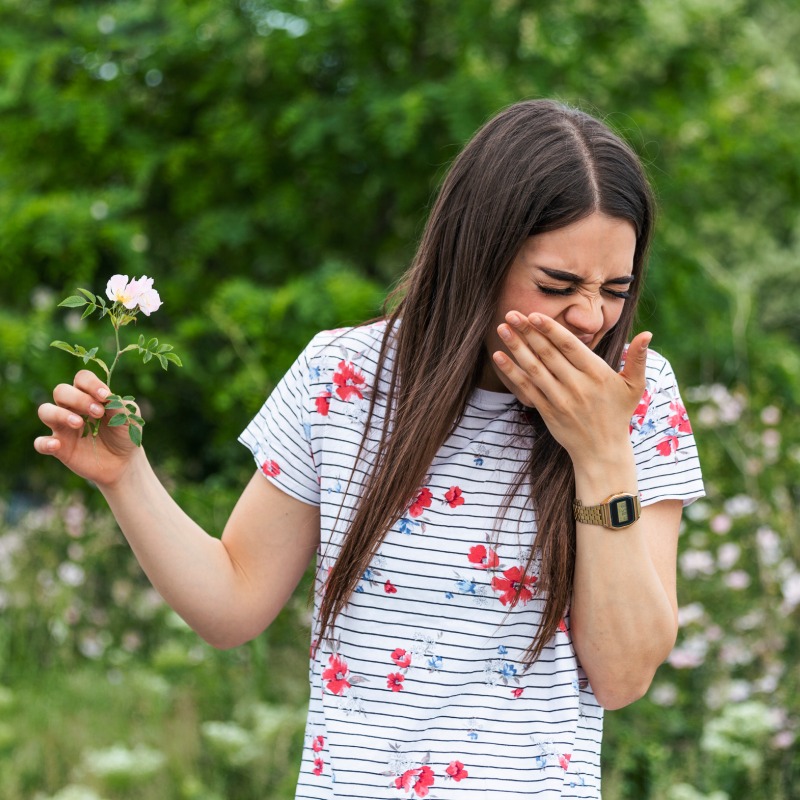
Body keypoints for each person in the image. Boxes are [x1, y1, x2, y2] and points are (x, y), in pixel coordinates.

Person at [35, 99, 704, 799]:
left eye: (615, 289)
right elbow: (231, 605)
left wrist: (600, 456)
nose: (591, 316)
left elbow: (624, 676)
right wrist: (126, 477)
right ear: (476, 257)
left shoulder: (637, 396)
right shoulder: (344, 376)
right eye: (557, 285)